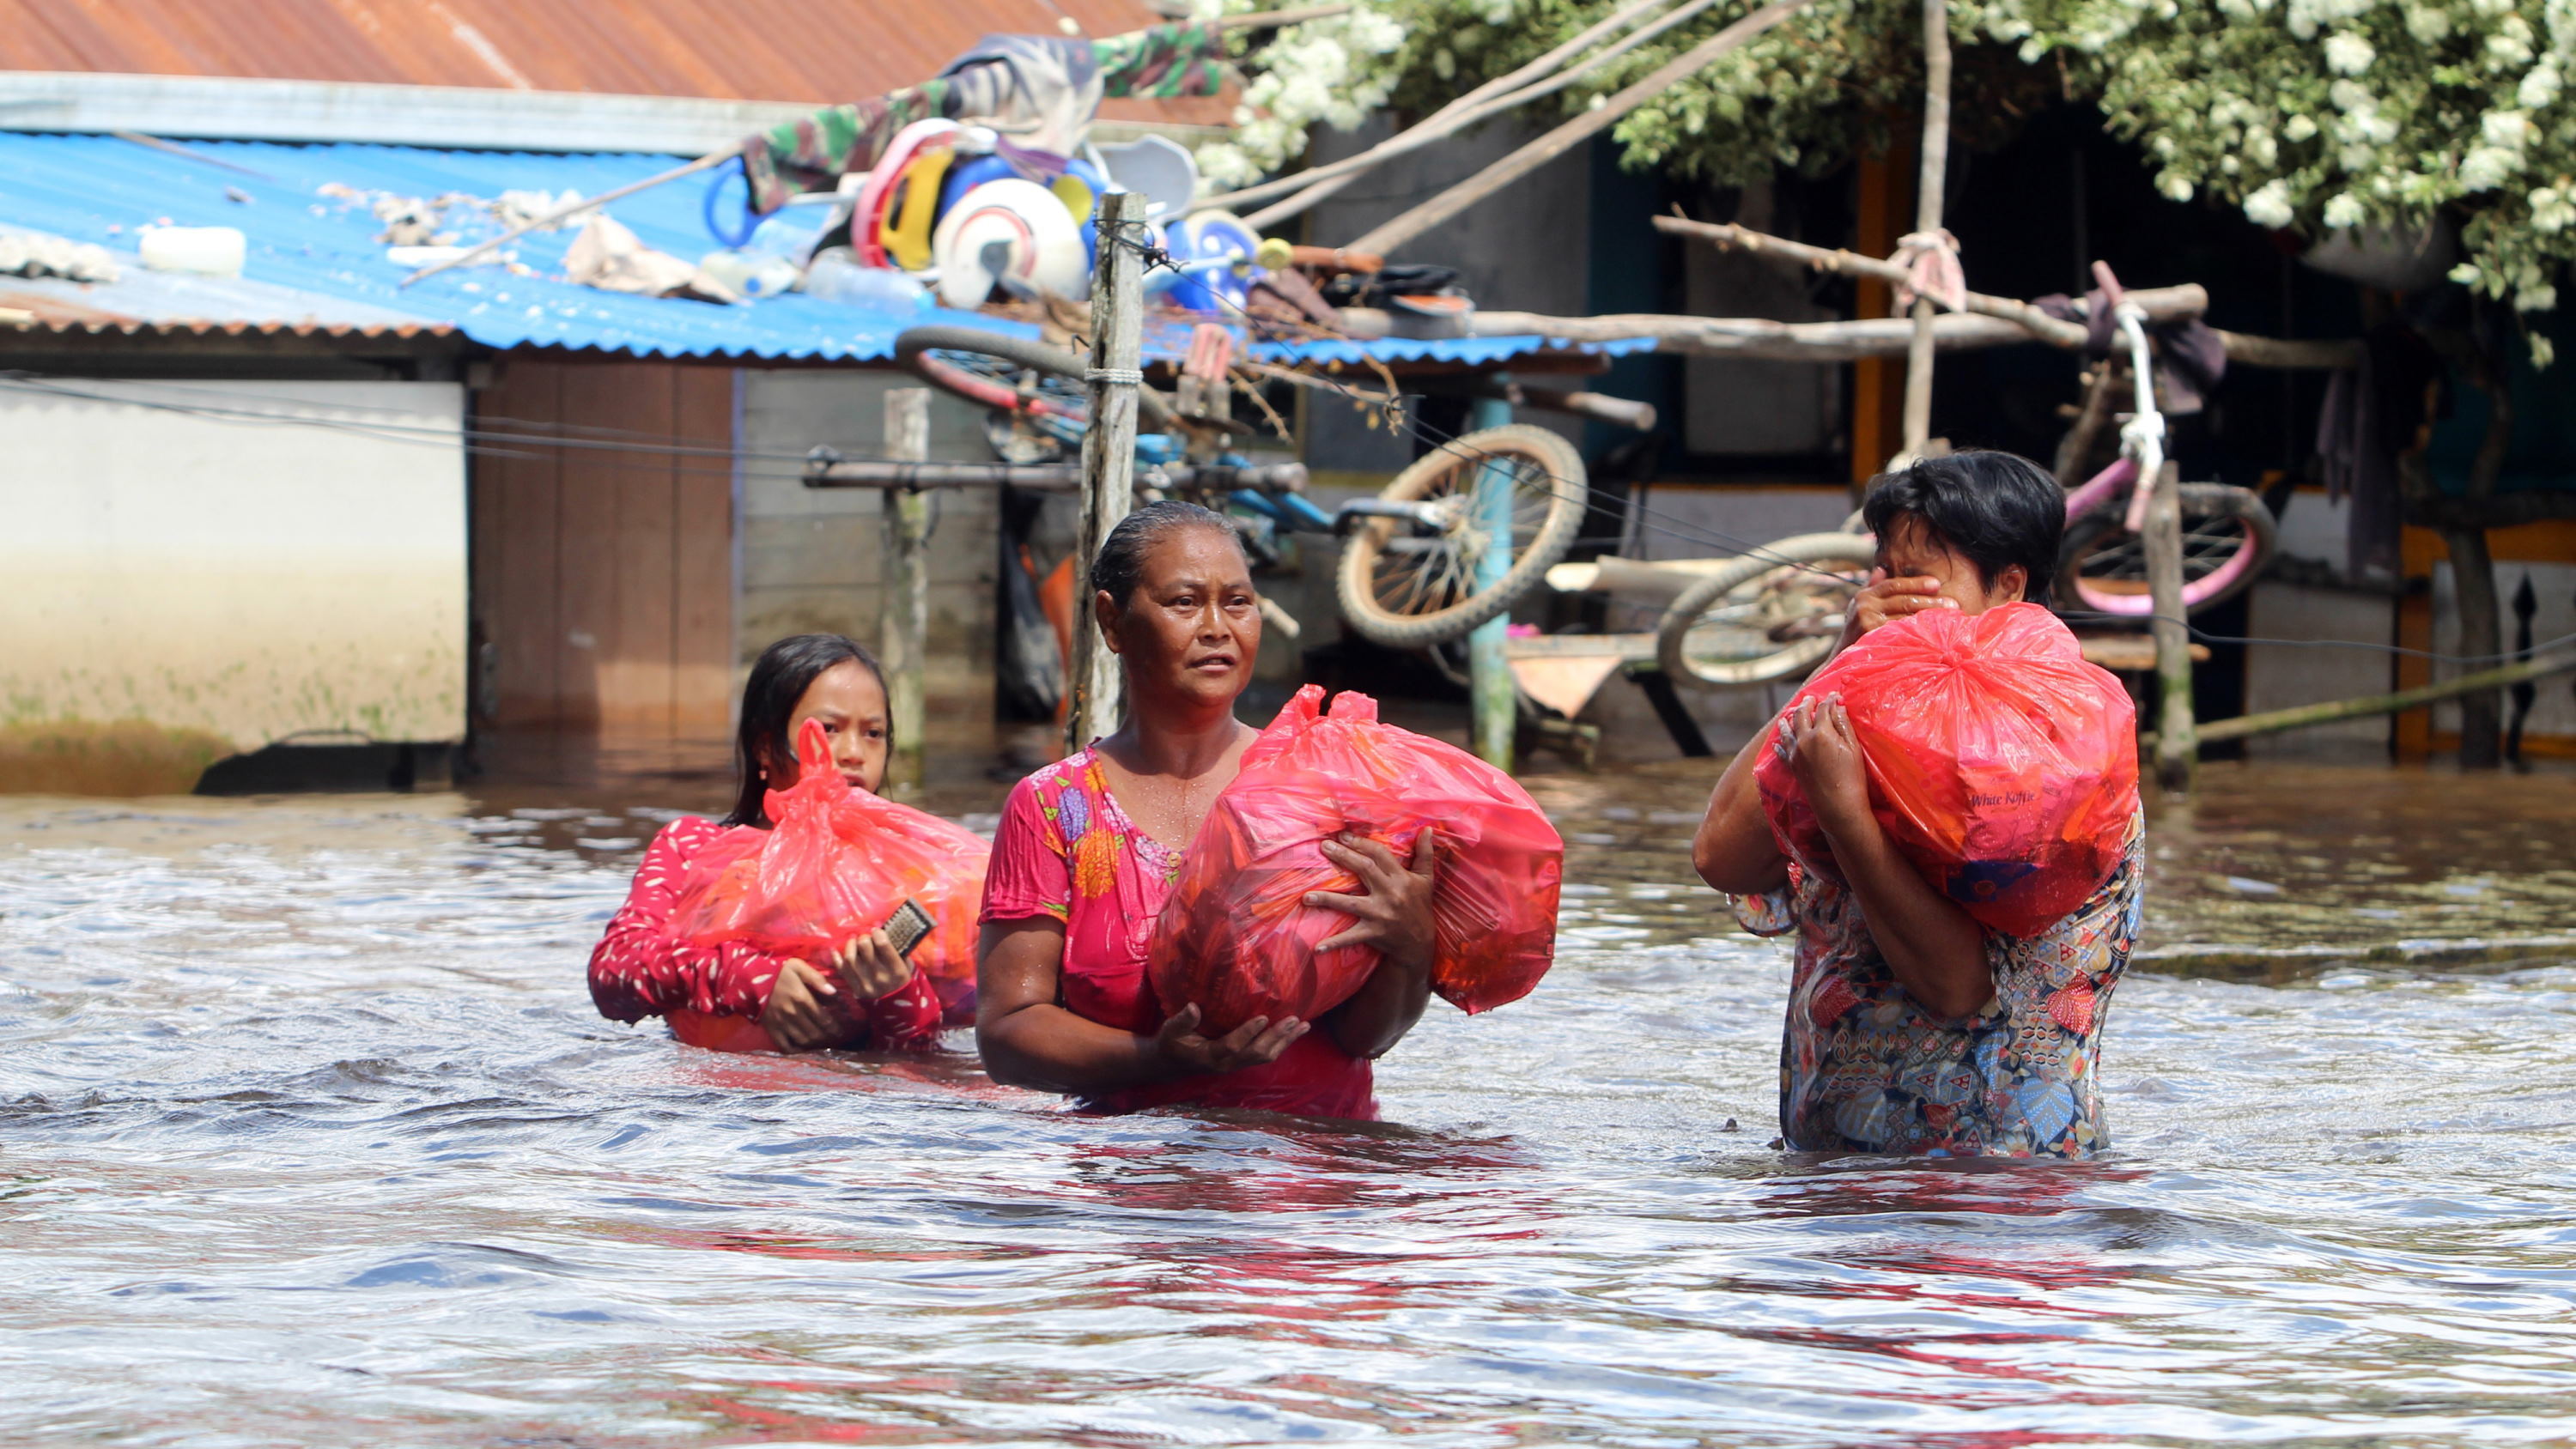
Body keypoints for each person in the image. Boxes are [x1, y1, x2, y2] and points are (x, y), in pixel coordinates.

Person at [1691, 451, 2144, 1158]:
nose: (1892, 599)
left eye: (1918, 581)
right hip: (1840, 1186)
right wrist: (1842, 659)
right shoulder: (1869, 728)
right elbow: (1722, 856)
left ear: (2010, 587)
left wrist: (1847, 820)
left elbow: (1957, 987)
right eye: (1886, 576)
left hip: (1998, 1190)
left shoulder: (2062, 762)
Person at [976, 500, 1440, 1120]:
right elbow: (1008, 1035)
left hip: (1316, 1180)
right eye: (1184, 602)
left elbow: (1364, 1038)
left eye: (1239, 602)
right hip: (1131, 1182)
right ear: (1112, 623)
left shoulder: (1325, 786)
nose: (1218, 626)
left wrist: (1412, 947)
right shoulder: (1056, 807)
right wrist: (1160, 1058)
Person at [588, 634, 944, 1052]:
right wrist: (748, 979)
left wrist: (898, 993)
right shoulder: (694, 848)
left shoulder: (903, 874)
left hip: (851, 1107)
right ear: (764, 746)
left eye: (873, 733)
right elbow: (614, 972)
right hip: (707, 1105)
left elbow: (923, 1051)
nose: (853, 753)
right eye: (827, 729)